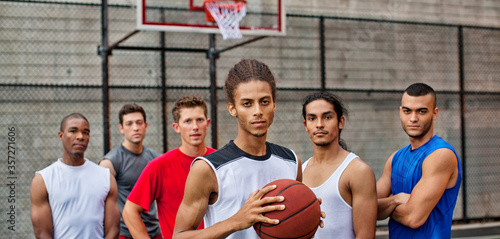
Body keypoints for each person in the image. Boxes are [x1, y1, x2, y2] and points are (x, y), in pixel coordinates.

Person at [173, 59, 312, 239]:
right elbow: (179, 236)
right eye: (247, 104)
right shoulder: (208, 169)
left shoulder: (292, 161)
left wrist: (307, 218)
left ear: (274, 104)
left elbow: (290, 226)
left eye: (264, 102)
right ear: (232, 109)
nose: (258, 111)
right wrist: (235, 221)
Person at [122, 96, 216, 239]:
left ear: (207, 123)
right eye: (188, 121)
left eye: (199, 120)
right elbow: (130, 210)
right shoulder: (160, 166)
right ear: (176, 127)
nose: (195, 127)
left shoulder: (220, 161)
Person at [377, 83, 462, 238]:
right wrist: (396, 199)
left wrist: (386, 205)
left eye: (422, 111)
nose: (413, 118)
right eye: (407, 111)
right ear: (400, 112)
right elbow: (368, 207)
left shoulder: (441, 154)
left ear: (435, 113)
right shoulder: (395, 159)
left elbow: (413, 217)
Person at [30, 113, 120, 239]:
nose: (80, 137)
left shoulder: (105, 177)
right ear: (61, 136)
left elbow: (113, 230)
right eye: (73, 131)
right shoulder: (43, 179)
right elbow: (42, 233)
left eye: (86, 132)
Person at [301, 91, 377, 238]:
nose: (319, 124)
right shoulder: (301, 170)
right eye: (312, 118)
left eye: (327, 117)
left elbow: (365, 235)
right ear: (305, 125)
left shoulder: (358, 171)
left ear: (341, 122)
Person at [99, 103, 162, 239]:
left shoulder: (155, 159)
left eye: (139, 123)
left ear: (146, 126)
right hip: (126, 233)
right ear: (121, 128)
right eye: (129, 124)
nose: (135, 128)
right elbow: (98, 203)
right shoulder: (110, 162)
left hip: (153, 232)